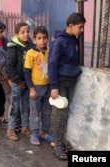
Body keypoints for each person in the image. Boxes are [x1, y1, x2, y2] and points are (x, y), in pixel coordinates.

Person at [48, 12, 86, 160]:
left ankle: (59, 140)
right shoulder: (60, 42)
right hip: (61, 81)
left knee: (64, 112)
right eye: (80, 27)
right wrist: (54, 86)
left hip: (71, 80)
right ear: (70, 26)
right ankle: (56, 145)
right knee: (60, 113)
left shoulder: (73, 39)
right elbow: (52, 64)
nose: (82, 30)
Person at [6, 22, 33, 141]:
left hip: (28, 82)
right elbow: (9, 67)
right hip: (18, 83)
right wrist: (17, 81)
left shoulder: (31, 46)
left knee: (26, 106)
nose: (26, 34)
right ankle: (11, 128)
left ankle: (25, 127)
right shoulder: (13, 47)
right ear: (17, 34)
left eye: (27, 31)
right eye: (23, 32)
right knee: (14, 106)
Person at [24, 26, 51, 146]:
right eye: (39, 38)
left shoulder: (50, 51)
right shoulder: (31, 53)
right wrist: (31, 88)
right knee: (35, 113)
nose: (42, 41)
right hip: (36, 87)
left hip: (48, 86)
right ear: (34, 40)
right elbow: (27, 71)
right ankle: (34, 134)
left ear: (48, 39)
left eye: (45, 38)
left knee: (46, 112)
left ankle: (45, 132)